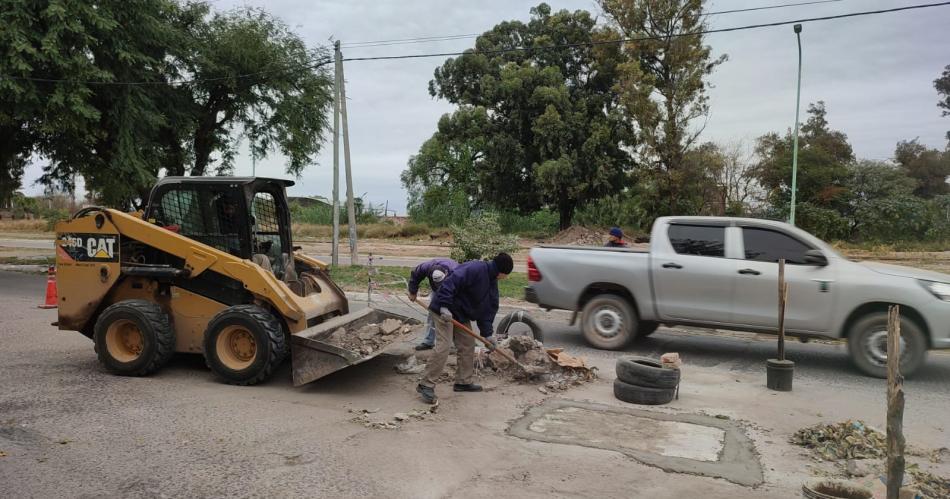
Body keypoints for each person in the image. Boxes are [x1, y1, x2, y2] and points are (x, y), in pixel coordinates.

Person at [416, 252, 514, 404]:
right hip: (443, 310)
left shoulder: (491, 283)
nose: (505, 278)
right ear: (502, 272)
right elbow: (450, 283)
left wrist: (487, 335)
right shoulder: (475, 268)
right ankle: (426, 384)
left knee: (467, 344)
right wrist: (444, 306)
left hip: (460, 314)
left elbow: (487, 311)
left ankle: (463, 381)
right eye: (506, 275)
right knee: (444, 345)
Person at [407, 258, 460, 351]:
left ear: (446, 274)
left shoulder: (455, 271)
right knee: (433, 312)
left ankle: (458, 341)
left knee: (454, 313)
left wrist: (446, 306)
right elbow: (415, 276)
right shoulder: (425, 267)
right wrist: (412, 291)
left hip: (453, 290)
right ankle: (428, 341)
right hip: (436, 291)